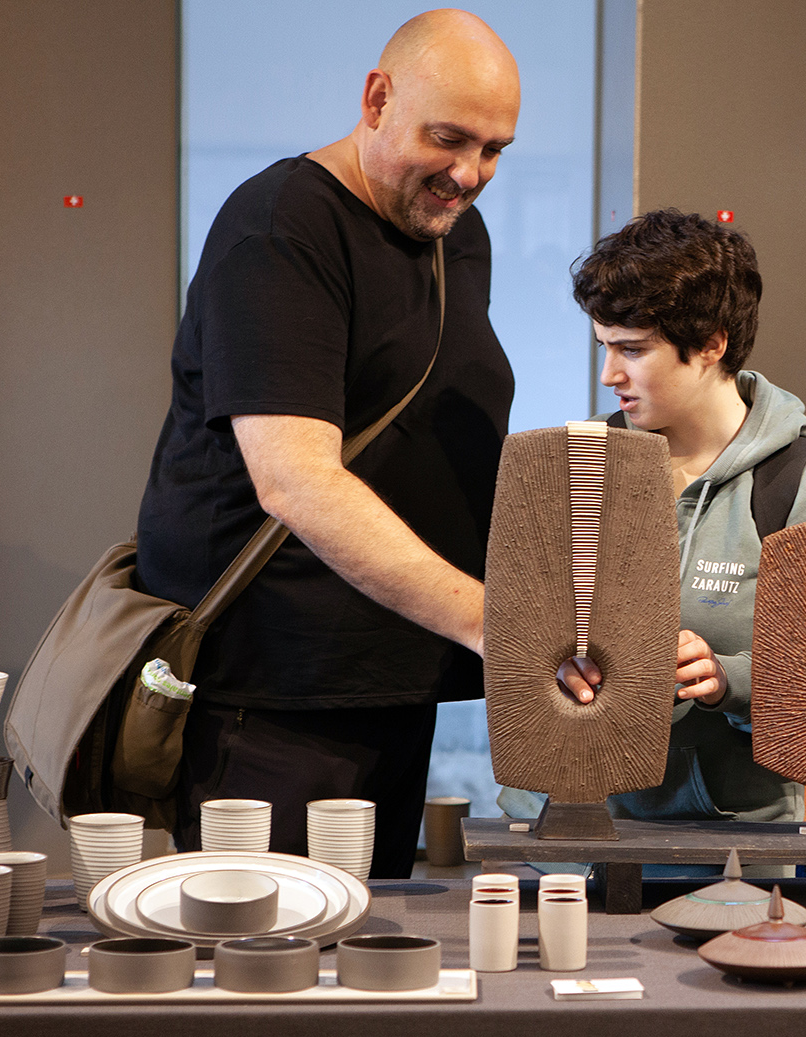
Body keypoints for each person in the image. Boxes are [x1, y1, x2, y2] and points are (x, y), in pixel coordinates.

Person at [135, 11, 520, 876]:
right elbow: (296, 480)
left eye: (493, 149)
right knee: (270, 949)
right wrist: (492, 622)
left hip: (393, 678)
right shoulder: (281, 227)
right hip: (274, 693)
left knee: (373, 944)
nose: (468, 175)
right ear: (376, 100)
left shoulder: (453, 232)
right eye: (447, 139)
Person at [502, 209, 806, 836]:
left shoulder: (798, 487)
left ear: (713, 344)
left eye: (633, 349)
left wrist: (726, 678)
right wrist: (554, 661)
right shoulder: (581, 464)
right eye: (604, 346)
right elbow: (510, 641)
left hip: (722, 846)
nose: (609, 374)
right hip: (562, 830)